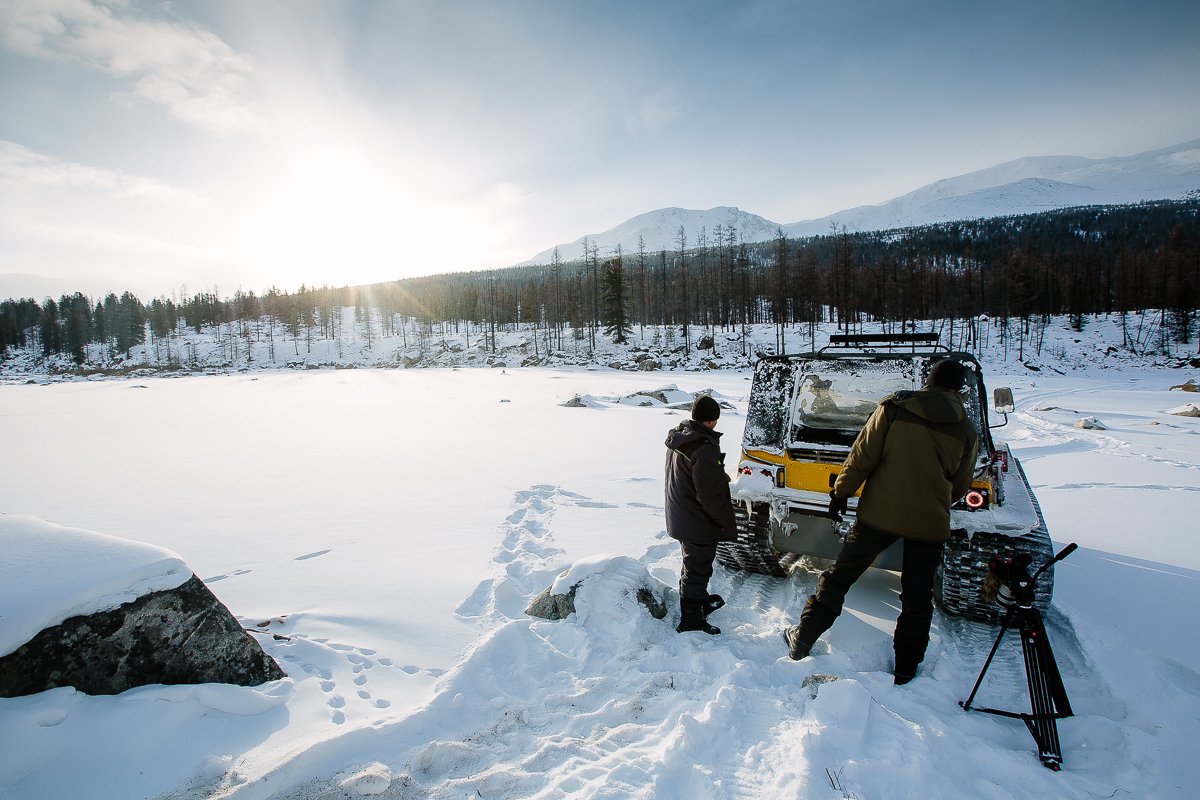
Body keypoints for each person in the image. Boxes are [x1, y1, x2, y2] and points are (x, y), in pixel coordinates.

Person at [782, 358, 979, 684]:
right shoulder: (965, 429)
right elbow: (960, 485)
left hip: (877, 517)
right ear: (958, 390)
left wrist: (840, 492)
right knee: (917, 598)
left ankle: (802, 640)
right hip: (929, 524)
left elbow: (862, 456)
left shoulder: (896, 408)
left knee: (839, 577)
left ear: (928, 382)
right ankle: (906, 669)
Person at [665, 394, 737, 634]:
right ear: (711, 421)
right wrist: (725, 520)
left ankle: (697, 602)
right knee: (697, 569)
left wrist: (717, 472)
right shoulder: (701, 446)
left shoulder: (683, 436)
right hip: (696, 518)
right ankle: (691, 619)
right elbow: (710, 495)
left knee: (693, 565)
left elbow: (696, 475)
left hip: (683, 513)